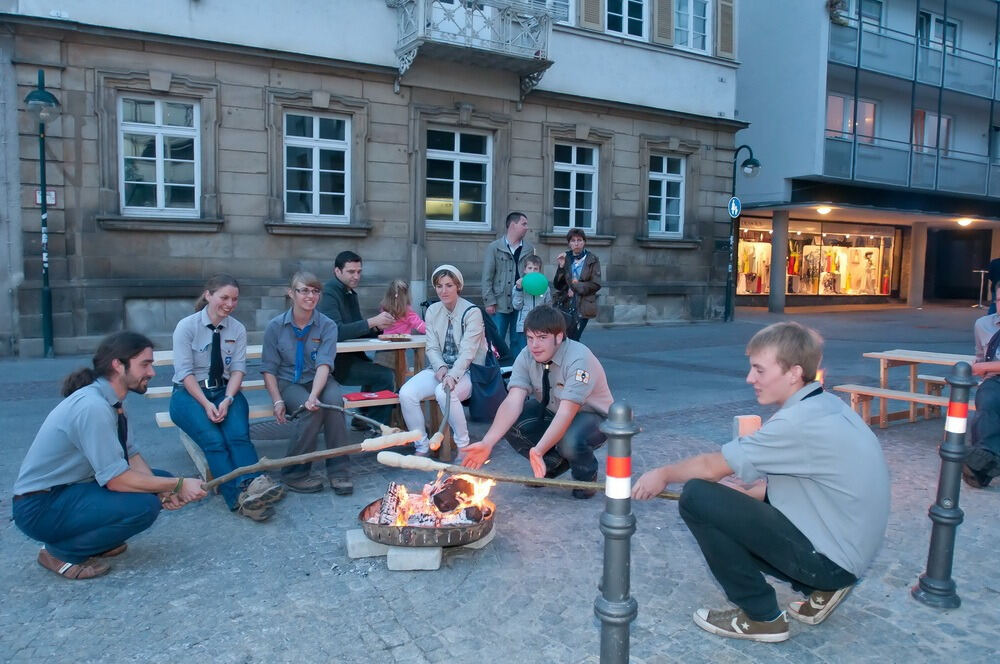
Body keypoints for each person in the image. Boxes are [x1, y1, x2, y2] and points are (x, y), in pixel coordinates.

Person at [632, 322, 890, 643]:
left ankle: (762, 617)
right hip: (847, 551)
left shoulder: (796, 423)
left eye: (759, 370)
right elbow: (812, 487)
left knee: (697, 496)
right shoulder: (826, 405)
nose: (749, 379)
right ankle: (821, 590)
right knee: (729, 501)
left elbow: (712, 467)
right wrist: (744, 495)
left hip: (832, 560)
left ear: (794, 373)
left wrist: (663, 474)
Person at [12, 331, 207, 580]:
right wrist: (178, 484)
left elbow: (130, 454)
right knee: (143, 505)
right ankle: (59, 552)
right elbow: (117, 480)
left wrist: (163, 489)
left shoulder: (111, 402)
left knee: (157, 483)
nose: (152, 372)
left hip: (66, 493)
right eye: (145, 364)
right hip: (39, 507)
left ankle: (96, 542)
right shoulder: (93, 407)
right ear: (118, 364)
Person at [461, 305, 613, 499]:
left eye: (542, 338)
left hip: (594, 417)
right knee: (511, 423)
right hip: (553, 409)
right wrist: (487, 442)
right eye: (530, 338)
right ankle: (551, 466)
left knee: (570, 441)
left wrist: (539, 449)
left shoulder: (579, 359)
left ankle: (585, 475)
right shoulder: (527, 355)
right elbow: (512, 401)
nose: (535, 346)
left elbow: (567, 413)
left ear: (559, 337)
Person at [168, 274, 285, 522]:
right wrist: (206, 403)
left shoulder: (237, 328)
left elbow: (238, 369)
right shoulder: (186, 327)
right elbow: (185, 373)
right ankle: (239, 500)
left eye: (234, 299)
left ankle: (255, 487)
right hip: (189, 394)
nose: (230, 304)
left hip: (225, 390)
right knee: (214, 441)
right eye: (224, 297)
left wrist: (228, 398)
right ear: (208, 295)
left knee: (238, 437)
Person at [261, 272, 352, 495]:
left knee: (332, 404)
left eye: (315, 291)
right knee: (309, 410)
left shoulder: (327, 325)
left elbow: (324, 364)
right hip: (288, 382)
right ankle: (295, 473)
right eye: (304, 290)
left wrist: (315, 394)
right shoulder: (275, 327)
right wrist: (277, 401)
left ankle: (339, 471)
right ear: (291, 293)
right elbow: (268, 369)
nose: (310, 296)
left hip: (318, 379)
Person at [399, 265, 486, 456]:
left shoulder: (472, 312)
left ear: (458, 286)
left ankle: (463, 446)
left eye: (449, 285)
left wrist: (453, 375)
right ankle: (421, 444)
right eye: (439, 286)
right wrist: (440, 367)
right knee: (406, 392)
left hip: (469, 371)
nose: (443, 291)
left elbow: (468, 352)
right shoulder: (432, 311)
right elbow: (431, 346)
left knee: (444, 393)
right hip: (440, 368)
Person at [319, 250, 397, 432]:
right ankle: (379, 428)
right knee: (384, 375)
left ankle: (362, 418)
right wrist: (372, 322)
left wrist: (378, 328)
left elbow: (355, 330)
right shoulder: (329, 293)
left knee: (379, 370)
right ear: (337, 271)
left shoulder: (349, 292)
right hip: (334, 363)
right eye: (351, 272)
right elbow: (336, 332)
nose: (356, 276)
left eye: (359, 272)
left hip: (351, 357)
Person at [482, 211, 534, 354]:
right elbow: (487, 276)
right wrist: (489, 301)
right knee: (495, 340)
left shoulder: (529, 249)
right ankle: (495, 371)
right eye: (524, 224)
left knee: (519, 340)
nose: (526, 227)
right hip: (499, 303)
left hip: (521, 302)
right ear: (513, 225)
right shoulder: (494, 247)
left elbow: (534, 275)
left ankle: (517, 372)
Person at [965, 282, 1000, 488]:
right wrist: (979, 366)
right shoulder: (983, 325)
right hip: (994, 380)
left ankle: (979, 467)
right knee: (987, 403)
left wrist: (986, 366)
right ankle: (985, 459)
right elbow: (980, 358)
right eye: (999, 300)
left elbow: (984, 364)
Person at [553, 228, 601, 341]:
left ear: (584, 242)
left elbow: (596, 284)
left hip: (583, 305)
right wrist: (561, 267)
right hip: (565, 303)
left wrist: (575, 287)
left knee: (574, 337)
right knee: (563, 337)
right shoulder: (566, 257)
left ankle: (574, 358)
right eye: (573, 240)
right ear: (569, 243)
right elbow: (558, 285)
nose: (576, 243)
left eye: (579, 240)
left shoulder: (592, 259)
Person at [510, 255, 553, 363]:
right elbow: (516, 306)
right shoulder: (519, 287)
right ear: (525, 270)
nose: (532, 271)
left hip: (540, 326)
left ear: (539, 271)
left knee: (537, 352)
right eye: (530, 268)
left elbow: (548, 306)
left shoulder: (544, 287)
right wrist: (519, 290)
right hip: (523, 326)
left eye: (535, 269)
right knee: (524, 352)